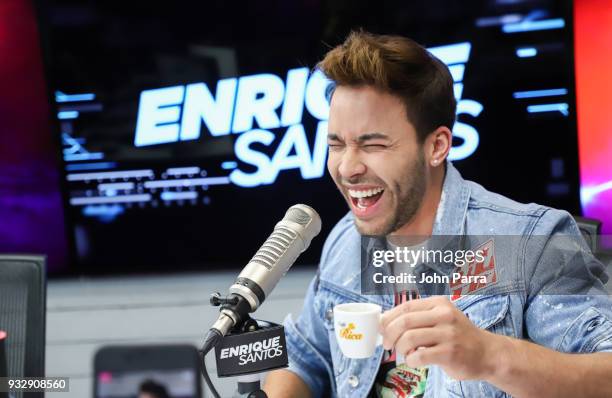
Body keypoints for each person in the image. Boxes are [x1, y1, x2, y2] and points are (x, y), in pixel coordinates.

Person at [263, 30, 612, 397]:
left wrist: (490, 355)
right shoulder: (347, 240)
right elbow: (305, 358)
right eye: (337, 145)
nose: (348, 168)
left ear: (437, 146)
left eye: (374, 145)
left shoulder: (529, 242)